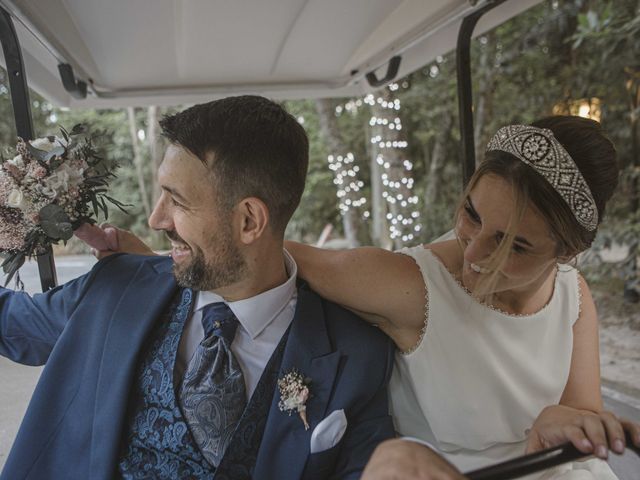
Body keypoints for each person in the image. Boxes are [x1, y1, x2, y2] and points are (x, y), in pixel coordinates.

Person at [89, 116, 640, 479]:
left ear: (566, 253)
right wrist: (158, 261)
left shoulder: (574, 295)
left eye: (514, 245)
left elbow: (583, 414)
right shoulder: (407, 285)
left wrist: (563, 424)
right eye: (471, 214)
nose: (474, 253)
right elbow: (256, 249)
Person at [0, 96, 397, 480]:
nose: (156, 219)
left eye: (177, 200)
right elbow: (11, 323)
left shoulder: (357, 356)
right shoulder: (117, 286)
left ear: (248, 221)